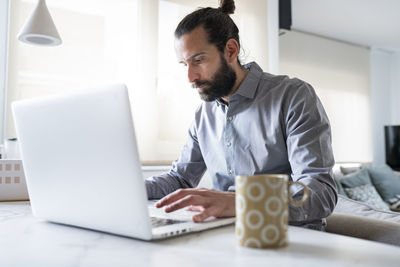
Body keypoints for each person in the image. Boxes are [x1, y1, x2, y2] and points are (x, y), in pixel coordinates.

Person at [145, 0, 337, 230]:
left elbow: (321, 191)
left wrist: (243, 202)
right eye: (184, 64)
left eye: (198, 60)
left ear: (231, 50)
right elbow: (180, 179)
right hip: (226, 235)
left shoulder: (293, 96)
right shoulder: (203, 115)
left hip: (288, 238)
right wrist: (125, 188)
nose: (190, 77)